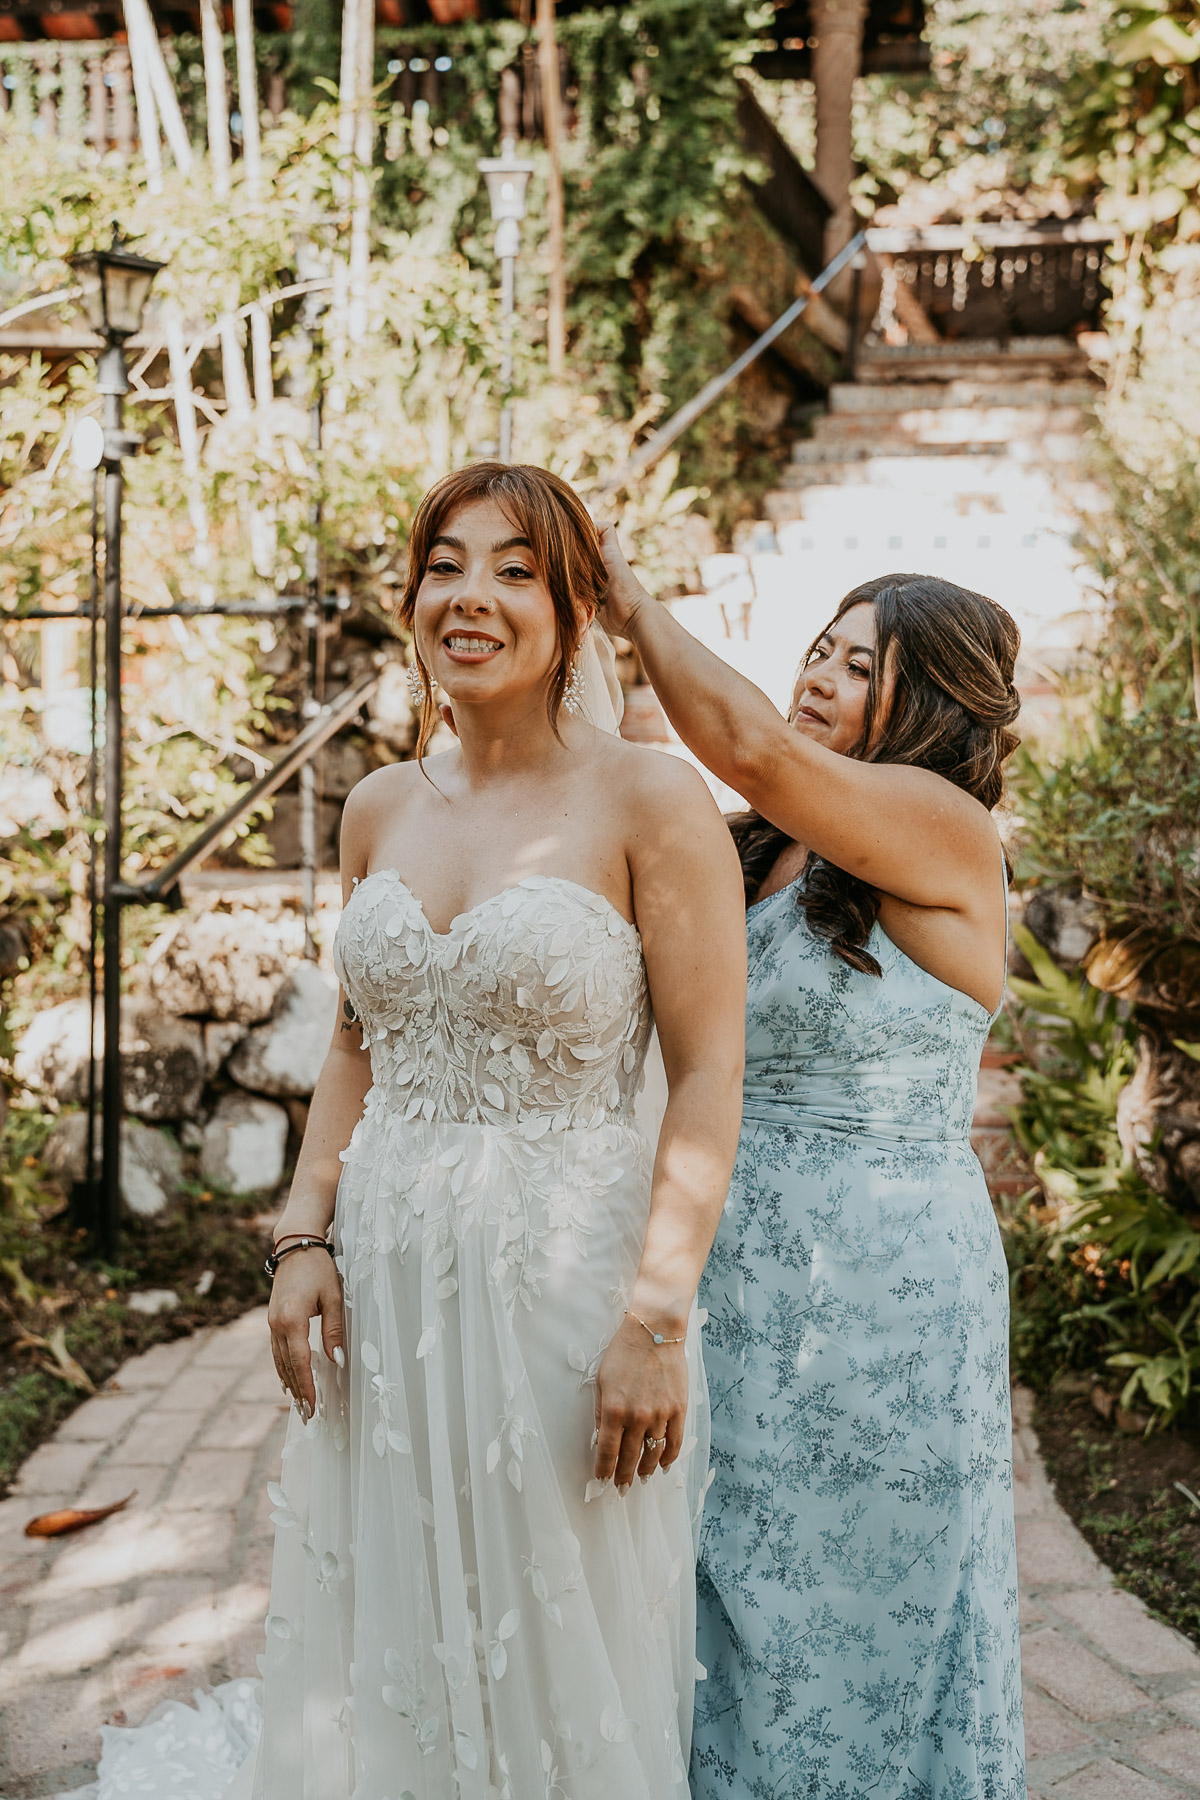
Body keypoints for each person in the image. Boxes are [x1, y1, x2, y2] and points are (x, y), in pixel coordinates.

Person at [80, 464, 746, 1800]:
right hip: (388, 1282)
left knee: (554, 1629)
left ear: (576, 609)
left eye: (516, 570)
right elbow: (353, 1041)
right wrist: (301, 1237)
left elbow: (707, 1070)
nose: (471, 596)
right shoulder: (379, 804)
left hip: (567, 1285)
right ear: (412, 595)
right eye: (447, 564)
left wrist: (657, 1320)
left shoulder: (651, 802)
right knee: (398, 1613)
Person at [599, 547, 1026, 1800]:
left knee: (861, 1608)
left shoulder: (948, 833)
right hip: (730, 1275)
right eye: (819, 651)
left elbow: (751, 745)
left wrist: (626, 598)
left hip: (881, 1293)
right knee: (726, 1587)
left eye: (861, 664)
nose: (820, 676)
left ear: (931, 702)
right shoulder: (755, 850)